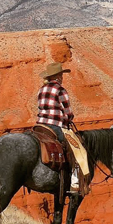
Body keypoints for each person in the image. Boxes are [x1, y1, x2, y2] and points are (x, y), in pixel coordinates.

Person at [36, 61, 81, 192]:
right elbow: (67, 111)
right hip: (55, 125)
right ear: (58, 77)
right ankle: (75, 182)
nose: (62, 77)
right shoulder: (60, 90)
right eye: (61, 75)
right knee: (77, 149)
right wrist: (69, 119)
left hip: (40, 125)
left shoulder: (41, 89)